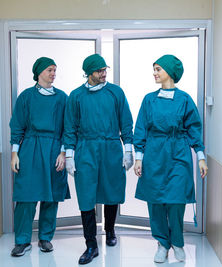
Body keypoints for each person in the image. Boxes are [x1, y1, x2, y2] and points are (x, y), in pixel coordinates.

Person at [133, 55, 208, 263]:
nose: (154, 73)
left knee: (176, 200)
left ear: (169, 72)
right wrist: (139, 157)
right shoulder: (149, 99)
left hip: (179, 153)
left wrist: (200, 156)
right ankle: (162, 243)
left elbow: (194, 128)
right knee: (155, 201)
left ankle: (177, 242)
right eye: (154, 69)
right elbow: (140, 128)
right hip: (155, 153)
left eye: (158, 69)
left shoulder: (184, 99)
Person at [64, 54, 134, 265]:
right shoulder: (76, 96)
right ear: (88, 73)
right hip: (86, 148)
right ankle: (91, 245)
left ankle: (110, 229)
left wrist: (128, 148)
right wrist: (69, 154)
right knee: (86, 194)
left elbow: (126, 121)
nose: (104, 74)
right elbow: (70, 127)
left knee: (111, 190)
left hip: (111, 146)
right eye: (99, 71)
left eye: (105, 70)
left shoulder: (115, 92)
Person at [9, 57, 70, 257]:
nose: (53, 73)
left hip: (53, 149)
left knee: (50, 196)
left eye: (55, 70)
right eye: (49, 70)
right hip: (30, 148)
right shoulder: (26, 97)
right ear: (39, 73)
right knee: (26, 196)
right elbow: (17, 125)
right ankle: (22, 240)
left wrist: (63, 152)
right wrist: (14, 153)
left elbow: (68, 128)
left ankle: (45, 238)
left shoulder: (62, 98)